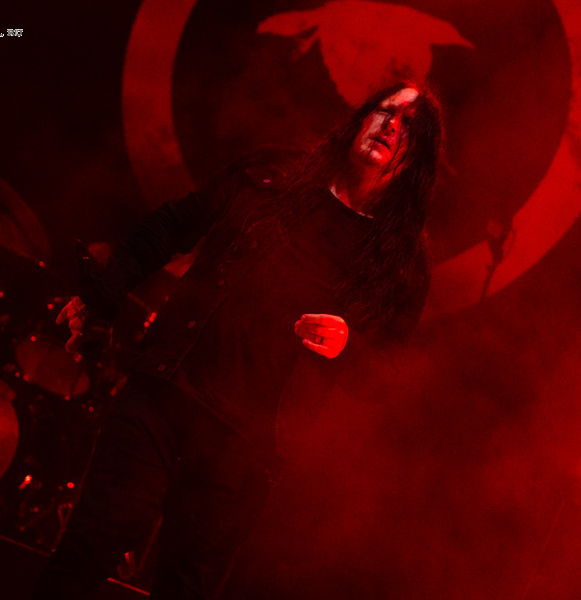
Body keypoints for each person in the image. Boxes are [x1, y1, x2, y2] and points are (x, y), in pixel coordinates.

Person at [33, 81, 445, 599]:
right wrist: (103, 296)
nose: (392, 125)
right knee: (88, 549)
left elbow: (385, 375)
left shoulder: (404, 259)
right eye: (386, 111)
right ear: (361, 118)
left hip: (247, 448)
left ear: (417, 161)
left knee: (187, 587)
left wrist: (349, 346)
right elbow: (171, 226)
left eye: (410, 127)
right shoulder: (274, 173)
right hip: (163, 396)